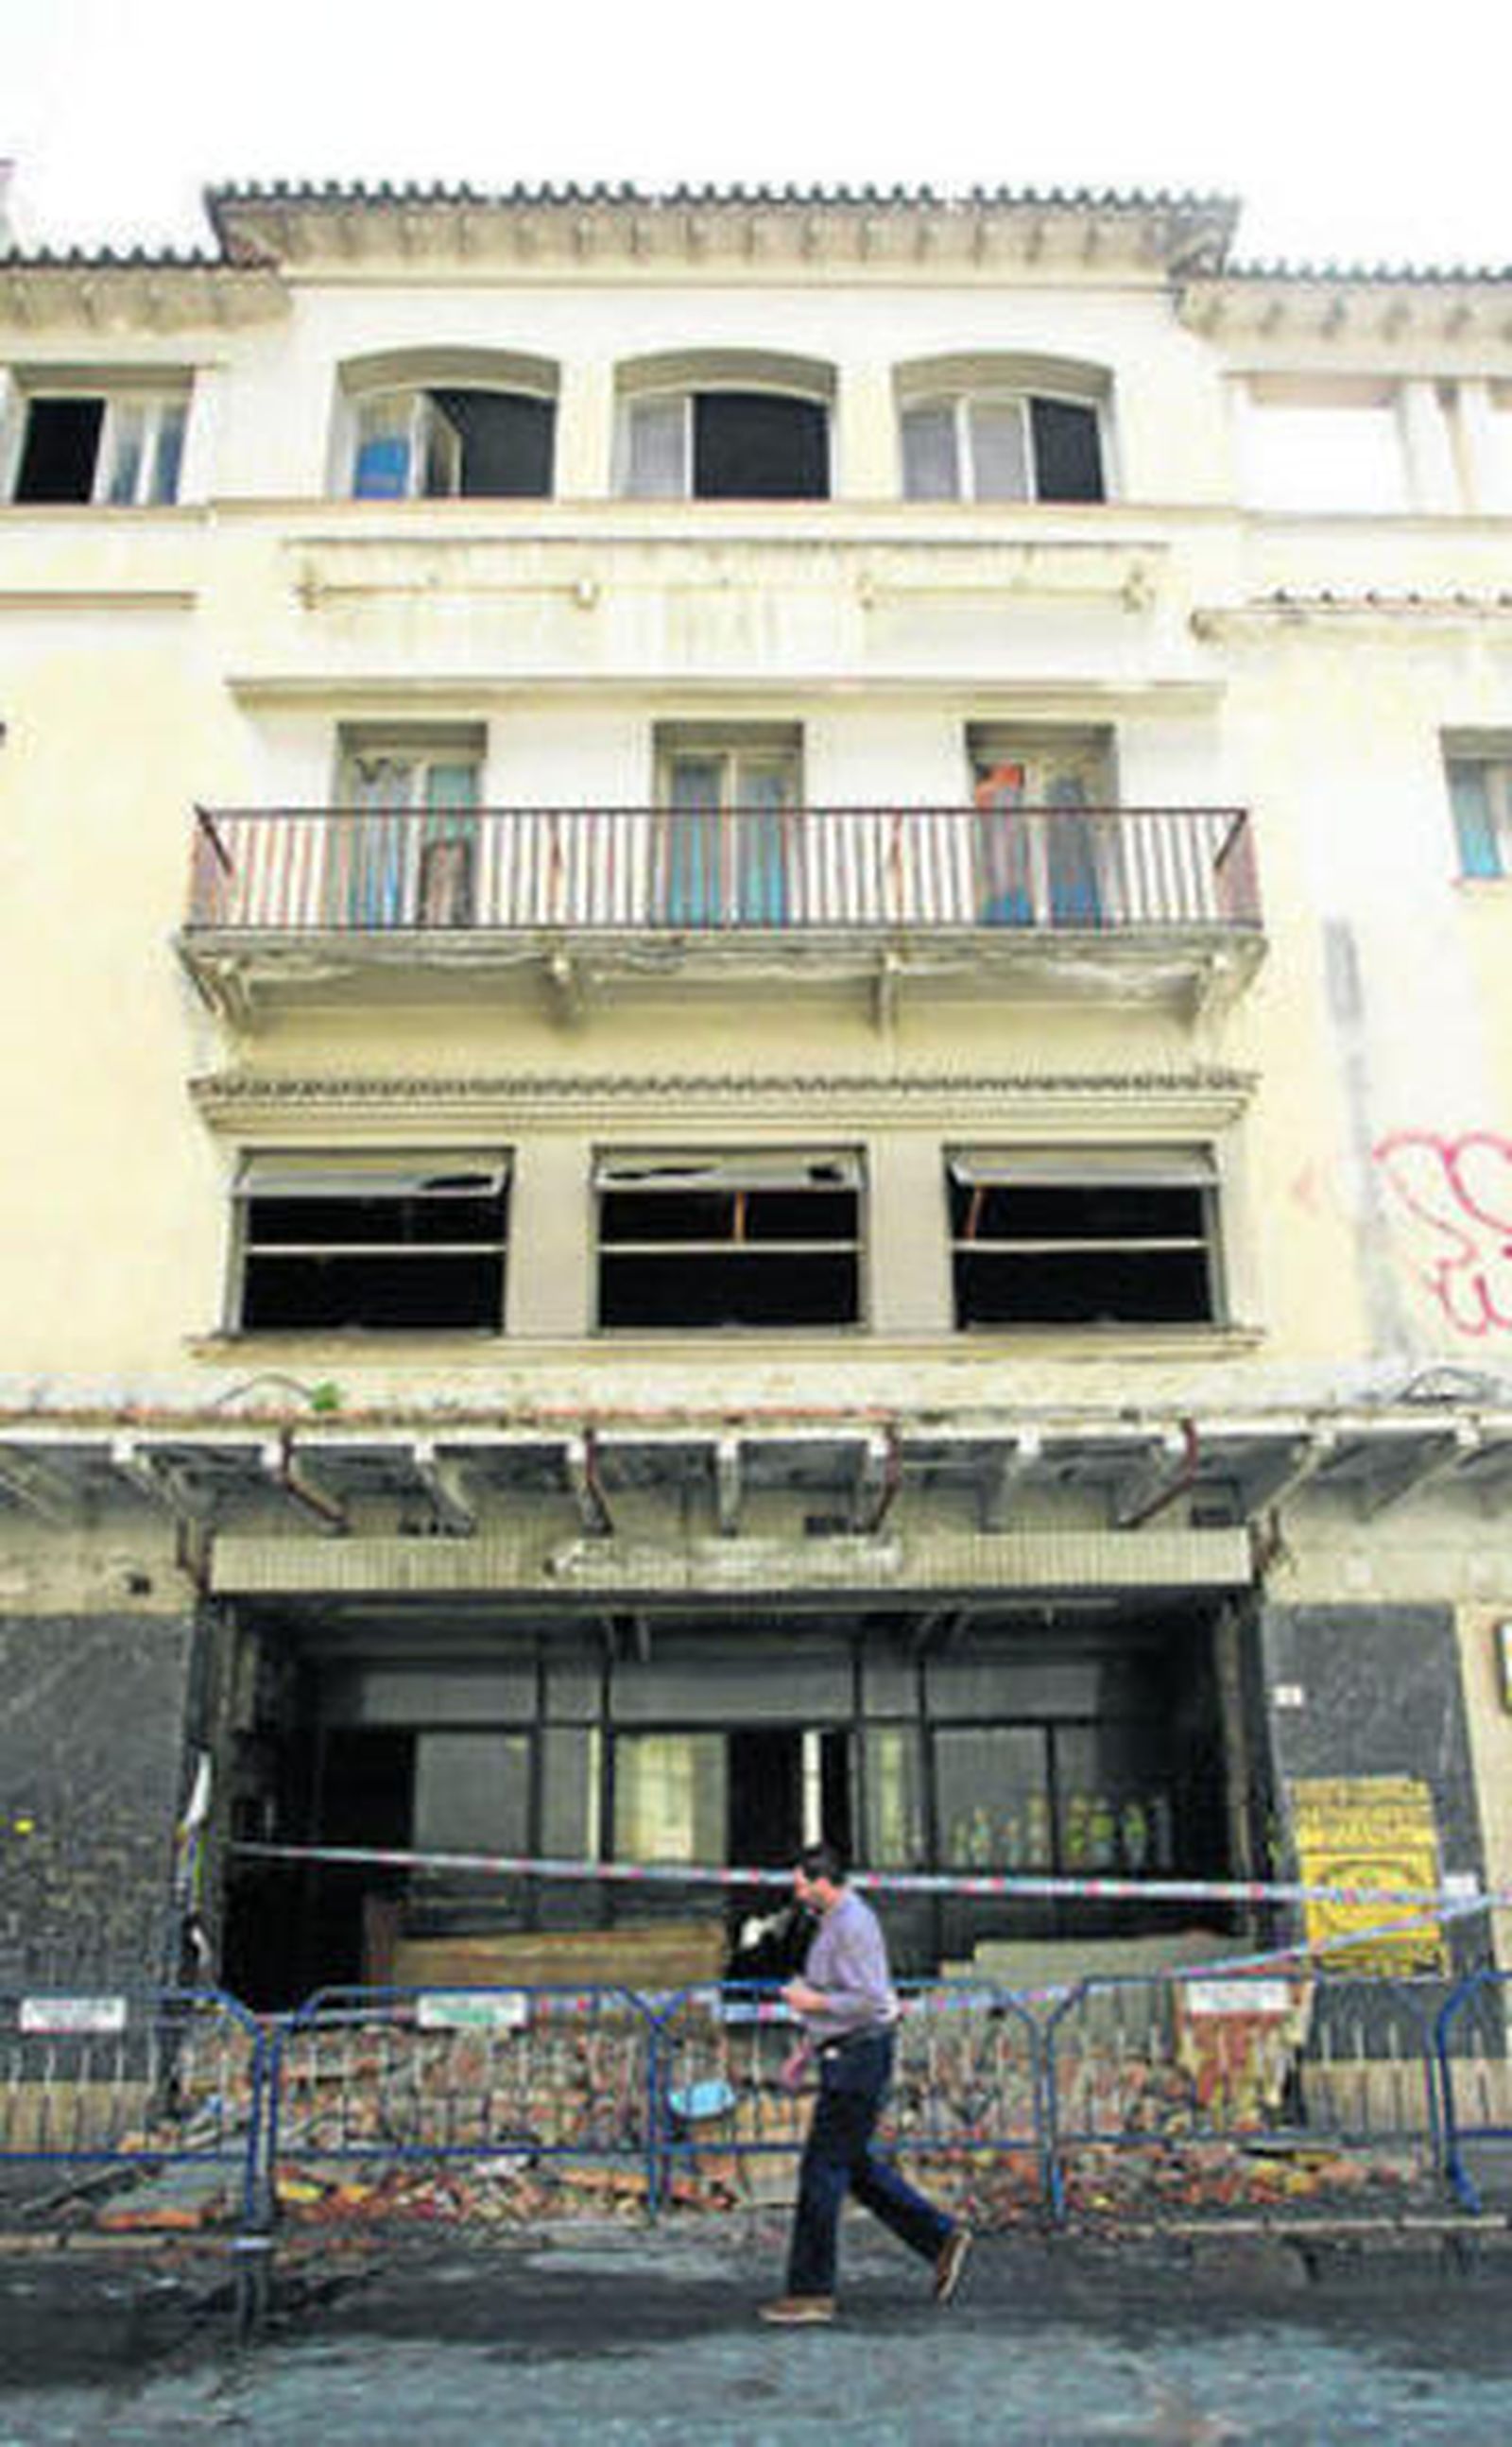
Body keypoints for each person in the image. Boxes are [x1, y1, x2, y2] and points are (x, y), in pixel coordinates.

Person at [759, 1840, 971, 2326]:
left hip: (858, 2057)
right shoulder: (836, 1921)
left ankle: (811, 2291)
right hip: (849, 2055)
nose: (796, 1894)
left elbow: (869, 2000)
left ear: (822, 1883)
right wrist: (804, 2050)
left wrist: (812, 2006)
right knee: (851, 2166)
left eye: (801, 1885)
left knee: (821, 2171)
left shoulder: (852, 1925)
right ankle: (938, 2239)